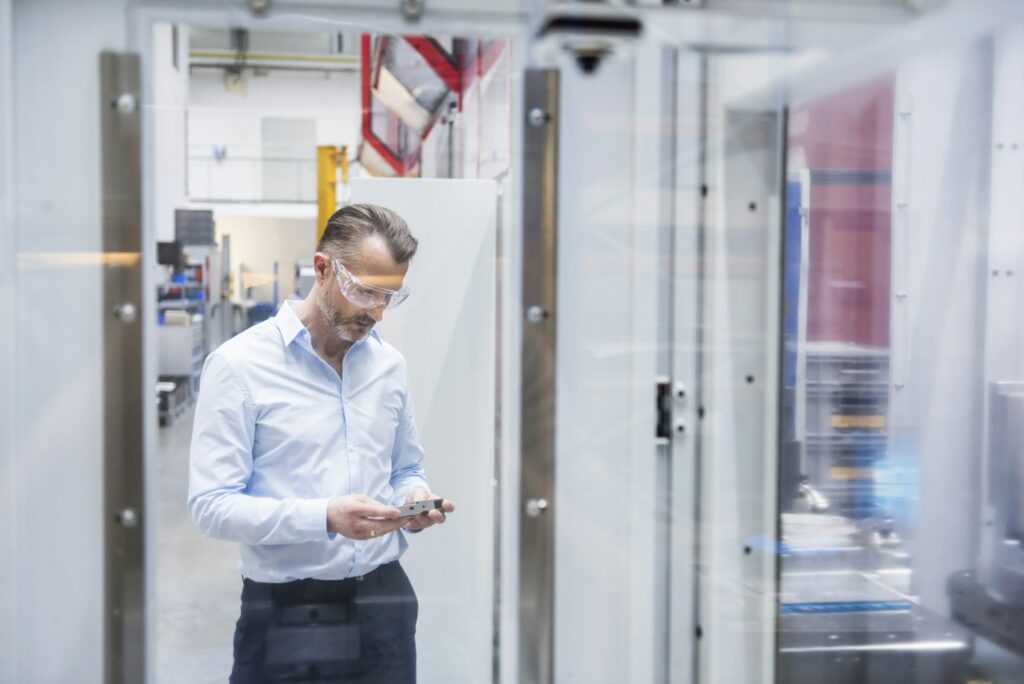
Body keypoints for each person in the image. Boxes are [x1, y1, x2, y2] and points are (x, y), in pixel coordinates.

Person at [188, 203, 455, 683]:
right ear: (322, 268)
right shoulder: (239, 367)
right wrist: (325, 516)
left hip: (384, 602)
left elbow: (405, 469)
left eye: (388, 296)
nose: (375, 311)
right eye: (364, 292)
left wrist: (413, 501)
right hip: (287, 608)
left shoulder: (389, 366)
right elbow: (211, 505)